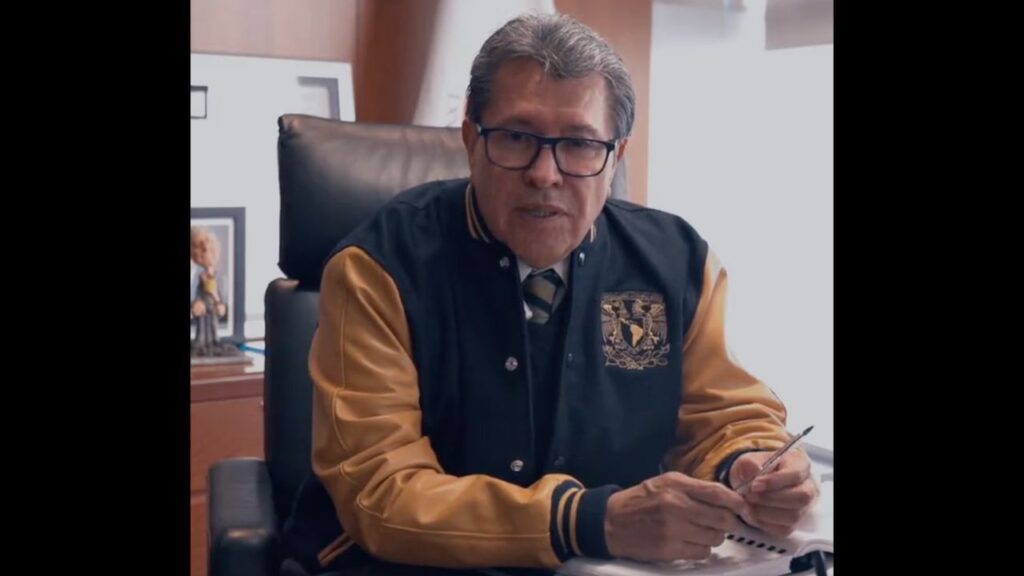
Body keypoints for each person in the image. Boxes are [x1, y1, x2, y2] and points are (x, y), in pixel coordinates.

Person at [284, 12, 818, 574]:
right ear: (470, 138)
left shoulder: (676, 263)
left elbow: (723, 413)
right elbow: (381, 491)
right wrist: (590, 521)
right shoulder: (380, 268)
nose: (545, 174)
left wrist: (751, 462)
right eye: (517, 137)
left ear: (616, 156)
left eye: (580, 144)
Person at [190, 226, 229, 355]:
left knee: (212, 325)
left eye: (210, 250)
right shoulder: (198, 276)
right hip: (202, 307)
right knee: (201, 327)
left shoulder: (221, 277)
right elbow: (195, 292)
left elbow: (222, 296)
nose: (206, 253)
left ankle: (214, 341)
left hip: (213, 306)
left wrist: (219, 302)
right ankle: (200, 341)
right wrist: (196, 302)